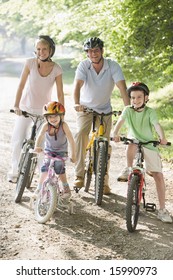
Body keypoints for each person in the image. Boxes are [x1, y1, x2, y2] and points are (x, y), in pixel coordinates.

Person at [73, 37, 129, 194]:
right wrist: (77, 103)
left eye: (96, 50)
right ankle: (79, 174)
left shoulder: (112, 66)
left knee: (104, 143)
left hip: (105, 110)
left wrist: (128, 109)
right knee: (81, 134)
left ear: (102, 51)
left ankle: (103, 182)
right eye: (90, 51)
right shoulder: (84, 65)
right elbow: (77, 86)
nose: (93, 54)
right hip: (86, 109)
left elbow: (122, 88)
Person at [113, 82, 172, 223]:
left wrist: (162, 138)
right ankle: (128, 168)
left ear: (146, 97)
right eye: (133, 97)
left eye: (139, 97)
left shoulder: (150, 112)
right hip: (134, 141)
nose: (136, 100)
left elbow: (156, 125)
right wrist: (115, 133)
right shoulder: (128, 110)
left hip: (149, 144)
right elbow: (120, 121)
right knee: (132, 141)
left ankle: (162, 209)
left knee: (158, 175)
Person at [8, 35, 64, 183]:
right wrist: (16, 105)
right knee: (18, 139)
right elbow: (21, 85)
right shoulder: (30, 63)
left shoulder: (56, 69)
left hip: (44, 112)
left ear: (50, 50)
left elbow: (59, 93)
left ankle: (42, 175)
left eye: (44, 49)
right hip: (26, 108)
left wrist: (60, 113)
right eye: (38, 49)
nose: (41, 52)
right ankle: (14, 170)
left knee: (43, 145)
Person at [33, 101, 76, 198]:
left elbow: (71, 141)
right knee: (45, 166)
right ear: (46, 118)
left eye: (55, 116)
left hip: (61, 152)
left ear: (61, 116)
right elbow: (39, 136)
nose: (52, 119)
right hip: (49, 151)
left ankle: (66, 188)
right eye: (50, 117)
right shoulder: (46, 126)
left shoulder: (64, 125)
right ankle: (39, 188)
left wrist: (73, 155)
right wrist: (37, 146)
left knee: (59, 166)